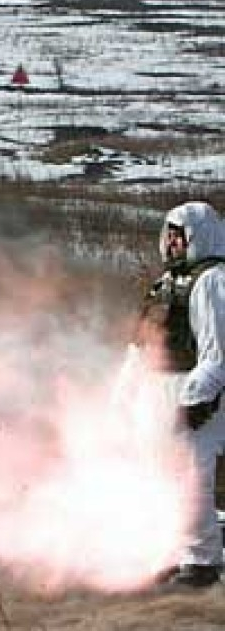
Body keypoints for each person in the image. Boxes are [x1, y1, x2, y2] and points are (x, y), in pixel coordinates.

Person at [132, 202, 225, 588]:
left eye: (178, 235)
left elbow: (218, 349)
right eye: (168, 235)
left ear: (195, 236)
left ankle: (202, 561)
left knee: (190, 478)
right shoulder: (165, 285)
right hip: (158, 390)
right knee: (160, 476)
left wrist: (197, 399)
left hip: (193, 392)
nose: (171, 243)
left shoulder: (213, 280)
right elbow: (140, 347)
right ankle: (173, 551)